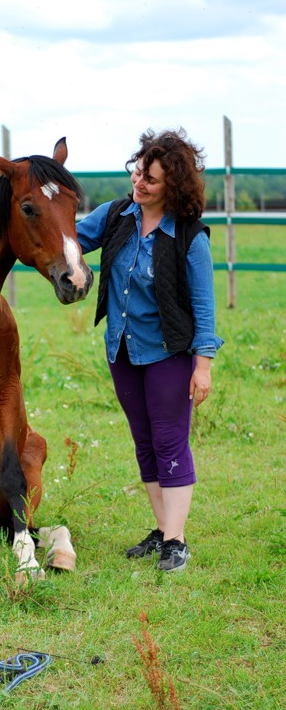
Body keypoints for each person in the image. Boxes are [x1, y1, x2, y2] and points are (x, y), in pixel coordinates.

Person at [76, 128, 223, 571]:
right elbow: (68, 240)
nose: (139, 183)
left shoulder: (189, 238)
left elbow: (203, 307)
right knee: (145, 442)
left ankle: (177, 541)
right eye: (138, 171)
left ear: (171, 189)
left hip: (168, 354)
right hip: (120, 351)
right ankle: (163, 531)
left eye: (151, 180)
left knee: (170, 439)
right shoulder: (117, 214)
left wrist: (203, 366)